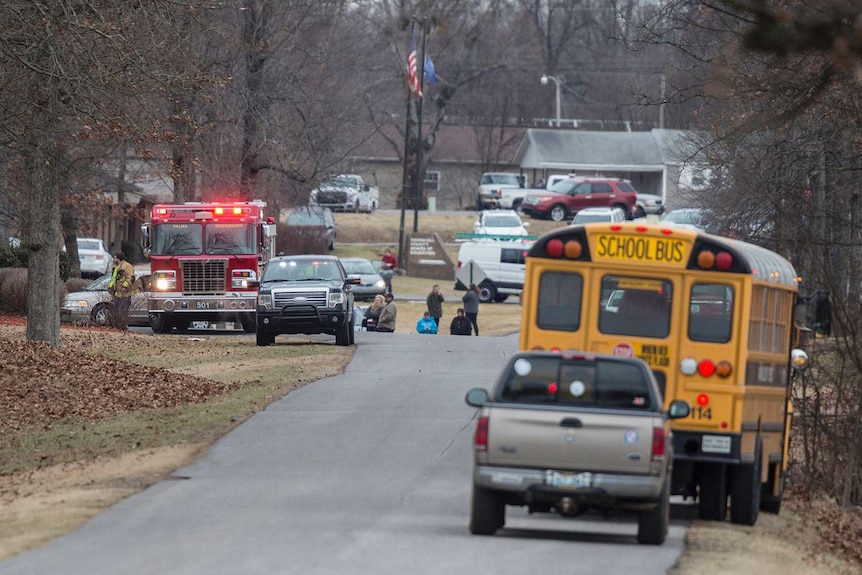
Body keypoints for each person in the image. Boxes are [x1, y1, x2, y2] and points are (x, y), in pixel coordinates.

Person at [108, 252, 136, 329]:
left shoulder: (127, 266)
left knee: (123, 310)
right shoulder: (116, 267)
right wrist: (110, 288)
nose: (113, 259)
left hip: (125, 293)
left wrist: (124, 287)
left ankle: (123, 326)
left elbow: (130, 278)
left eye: (114, 257)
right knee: (117, 310)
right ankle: (117, 326)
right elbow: (113, 279)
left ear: (118, 258)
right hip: (117, 293)